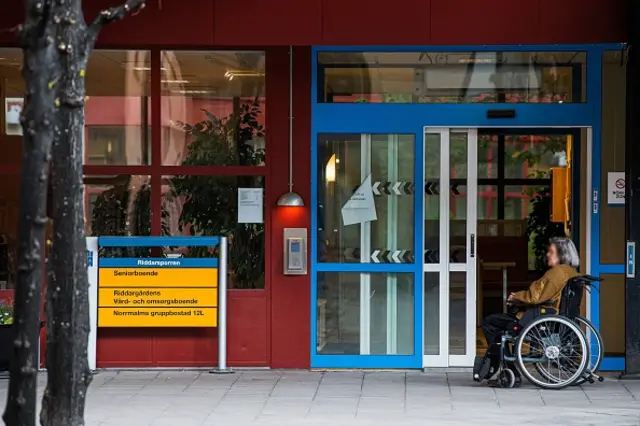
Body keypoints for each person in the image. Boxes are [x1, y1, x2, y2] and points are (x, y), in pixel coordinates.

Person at [479, 237, 580, 385]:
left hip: (537, 318)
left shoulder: (556, 274)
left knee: (490, 322)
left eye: (551, 252)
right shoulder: (571, 272)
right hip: (549, 316)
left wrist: (516, 297)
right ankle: (501, 368)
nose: (547, 255)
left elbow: (535, 297)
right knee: (499, 322)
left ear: (562, 254)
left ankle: (510, 371)